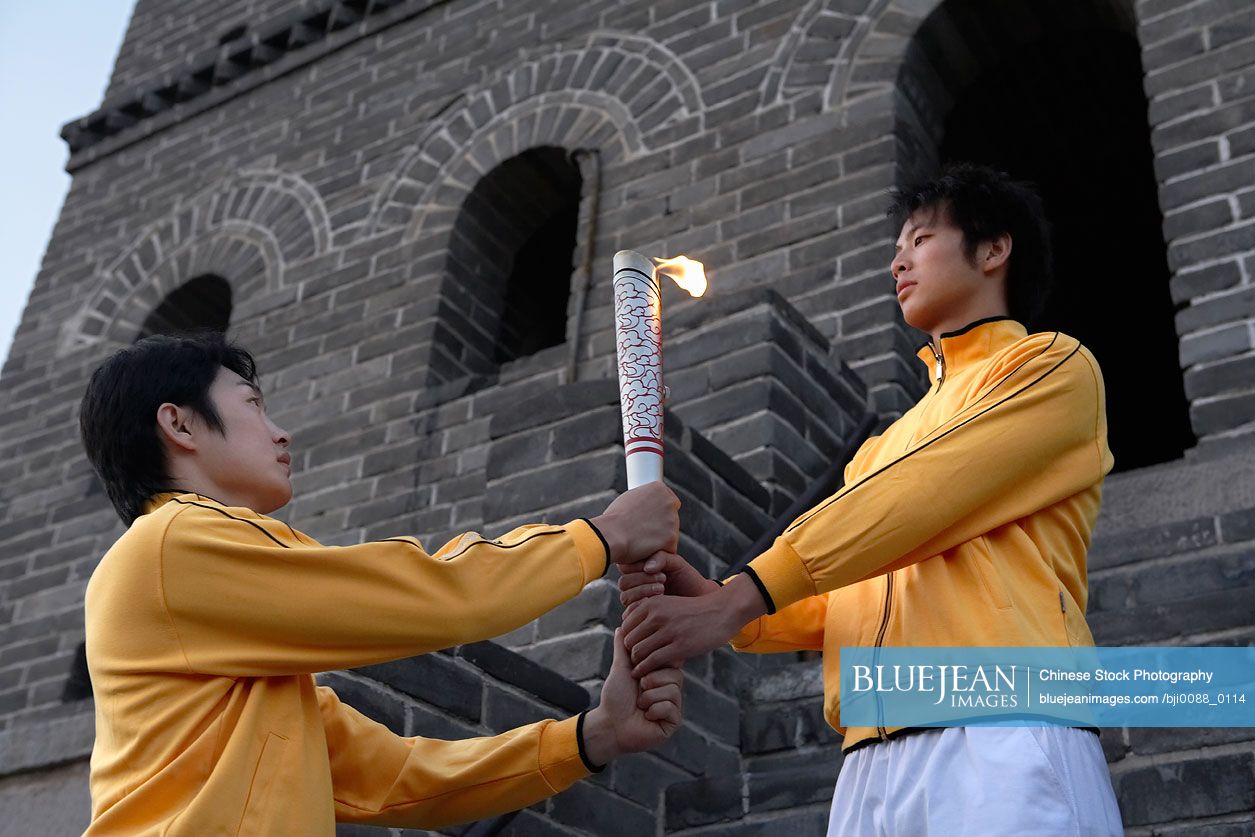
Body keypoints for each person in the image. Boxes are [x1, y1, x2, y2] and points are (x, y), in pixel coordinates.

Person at [616, 164, 1125, 835]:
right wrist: (724, 607)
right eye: (896, 245)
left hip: (1004, 727)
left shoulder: (1049, 368)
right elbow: (843, 590)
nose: (897, 260)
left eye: (919, 237)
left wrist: (744, 591)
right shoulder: (877, 448)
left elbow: (922, 495)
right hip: (867, 760)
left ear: (993, 249)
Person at [79, 332, 684, 835]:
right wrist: (601, 537)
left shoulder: (241, 646)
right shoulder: (173, 546)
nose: (281, 432)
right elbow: (438, 594)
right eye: (255, 405)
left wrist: (592, 736)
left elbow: (397, 780)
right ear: (179, 424)